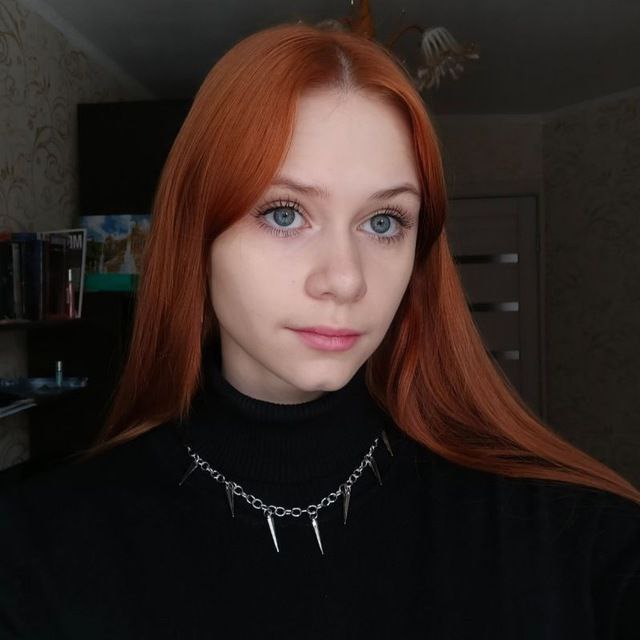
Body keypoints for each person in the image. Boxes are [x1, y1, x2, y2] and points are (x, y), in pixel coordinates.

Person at [0, 21, 639, 640]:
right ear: (198, 236)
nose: (346, 279)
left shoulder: (571, 538)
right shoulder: (39, 550)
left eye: (384, 222)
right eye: (285, 213)